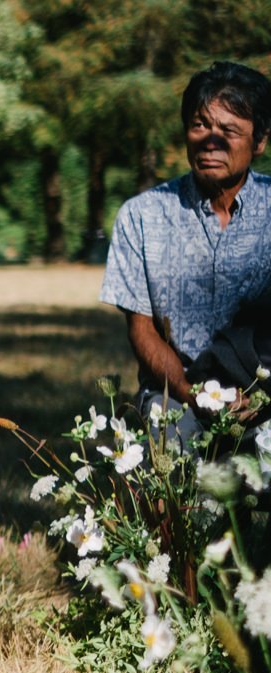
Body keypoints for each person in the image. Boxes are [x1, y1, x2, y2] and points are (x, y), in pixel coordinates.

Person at [100, 62, 271, 423]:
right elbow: (141, 329)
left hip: (265, 394)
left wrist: (259, 402)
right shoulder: (141, 216)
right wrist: (193, 396)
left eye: (229, 129)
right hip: (175, 397)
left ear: (259, 141)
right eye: (199, 125)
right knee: (179, 459)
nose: (211, 140)